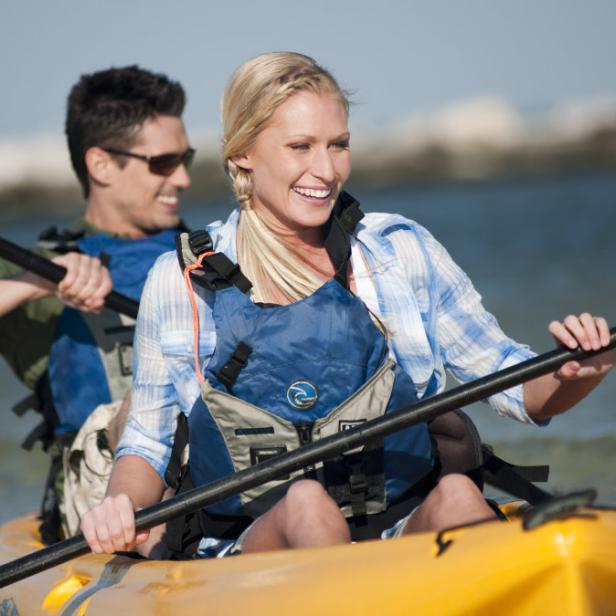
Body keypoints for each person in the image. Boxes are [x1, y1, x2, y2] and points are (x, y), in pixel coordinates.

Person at [80, 52, 614, 557]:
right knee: (309, 507)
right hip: (258, 541)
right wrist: (120, 506)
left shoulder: (397, 251)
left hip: (398, 518)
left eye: (338, 144)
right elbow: (146, 442)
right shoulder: (181, 279)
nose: (327, 169)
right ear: (243, 152)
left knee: (458, 496)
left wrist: (578, 371)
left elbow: (518, 387)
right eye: (300, 147)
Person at [0, 65, 193, 542]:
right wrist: (34, 284)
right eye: (163, 163)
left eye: (184, 158)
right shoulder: (41, 269)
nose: (184, 178)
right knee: (149, 406)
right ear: (101, 165)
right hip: (103, 493)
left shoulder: (214, 253)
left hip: (210, 458)